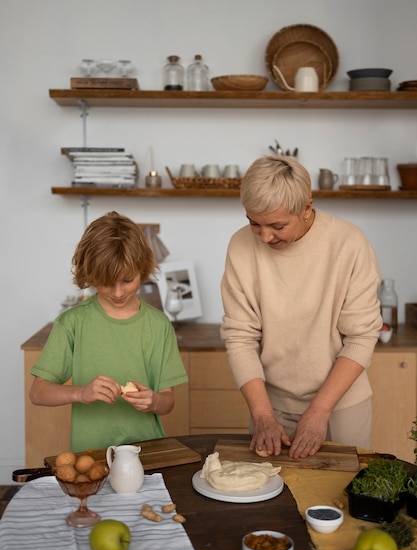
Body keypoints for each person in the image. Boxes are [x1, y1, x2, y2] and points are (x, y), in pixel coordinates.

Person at [221, 155, 382, 460]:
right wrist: (263, 416)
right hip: (269, 405)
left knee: (341, 497)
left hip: (342, 404)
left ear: (307, 207)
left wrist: (319, 411)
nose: (265, 237)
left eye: (277, 225)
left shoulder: (349, 243)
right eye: (254, 223)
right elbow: (240, 337)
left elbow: (361, 338)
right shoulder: (240, 246)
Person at [29, 211, 188, 452]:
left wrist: (154, 401)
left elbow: (167, 401)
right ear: (89, 274)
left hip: (147, 453)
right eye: (105, 282)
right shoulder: (72, 322)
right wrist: (81, 393)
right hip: (91, 455)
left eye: (127, 280)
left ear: (142, 269)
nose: (117, 292)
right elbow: (38, 393)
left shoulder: (158, 325)